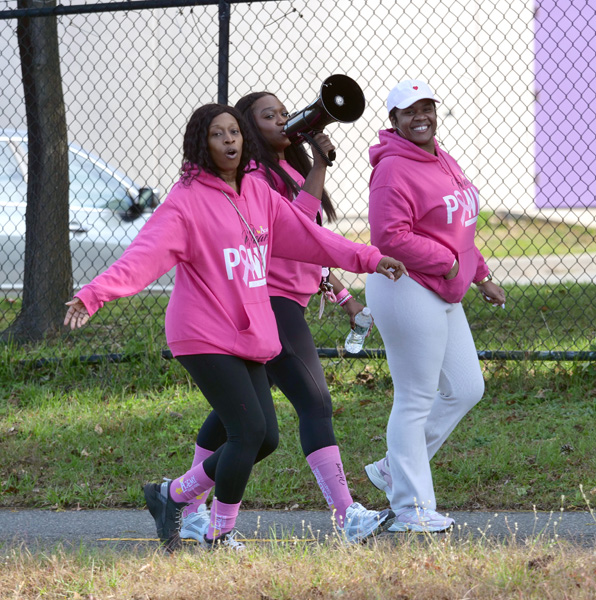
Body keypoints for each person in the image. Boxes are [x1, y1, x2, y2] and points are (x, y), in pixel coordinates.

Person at [63, 103, 407, 551]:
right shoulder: (185, 201)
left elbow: (311, 236)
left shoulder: (258, 192)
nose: (229, 141)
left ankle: (173, 495)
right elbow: (142, 257)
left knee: (265, 438)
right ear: (201, 144)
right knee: (247, 432)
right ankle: (218, 533)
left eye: (234, 132)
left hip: (248, 332)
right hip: (201, 332)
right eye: (217, 134)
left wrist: (369, 258)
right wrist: (94, 294)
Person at [171, 90, 391, 546]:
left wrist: (341, 295)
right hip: (270, 302)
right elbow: (295, 228)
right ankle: (346, 515)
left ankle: (186, 506)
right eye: (268, 116)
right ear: (248, 129)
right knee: (315, 403)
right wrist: (318, 168)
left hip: (287, 300)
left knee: (233, 421)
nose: (282, 121)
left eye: (284, 113)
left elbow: (311, 247)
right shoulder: (251, 176)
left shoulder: (286, 169)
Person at [362, 80, 506, 533]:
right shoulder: (392, 169)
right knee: (415, 397)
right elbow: (388, 237)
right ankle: (411, 508)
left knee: (466, 387)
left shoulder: (442, 158)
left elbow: (458, 228)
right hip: (403, 285)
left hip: (441, 286)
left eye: (427, 108)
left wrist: (480, 274)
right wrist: (450, 265)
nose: (421, 117)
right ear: (394, 120)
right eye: (410, 111)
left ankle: (393, 467)